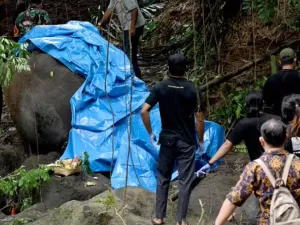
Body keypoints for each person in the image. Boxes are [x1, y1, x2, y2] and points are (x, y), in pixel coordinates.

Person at [141, 54, 205, 225]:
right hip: (186, 141)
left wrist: (150, 133)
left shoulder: (160, 87)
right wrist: (201, 141)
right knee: (185, 180)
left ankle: (159, 217)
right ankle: (181, 221)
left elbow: (144, 111)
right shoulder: (194, 90)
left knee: (163, 178)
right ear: (186, 68)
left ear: (168, 67)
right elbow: (199, 119)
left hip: (167, 140)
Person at [214, 119, 300, 225]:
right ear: (286, 138)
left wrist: (217, 223)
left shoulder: (255, 167)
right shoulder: (298, 163)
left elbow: (234, 198)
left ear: (261, 141)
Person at [196, 91, 281, 175]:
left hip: (260, 168)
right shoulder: (277, 120)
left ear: (245, 105)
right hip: (282, 164)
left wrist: (209, 163)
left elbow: (227, 146)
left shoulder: (243, 124)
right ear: (263, 104)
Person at [98, 0, 145, 79]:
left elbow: (134, 9)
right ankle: (135, 76)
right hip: (128, 26)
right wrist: (100, 24)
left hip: (133, 26)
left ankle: (134, 79)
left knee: (129, 54)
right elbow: (110, 9)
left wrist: (132, 27)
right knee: (130, 52)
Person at [263, 48, 300, 116]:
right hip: (298, 120)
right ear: (295, 60)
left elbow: (267, 101)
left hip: (278, 120)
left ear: (280, 62)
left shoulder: (271, 80)